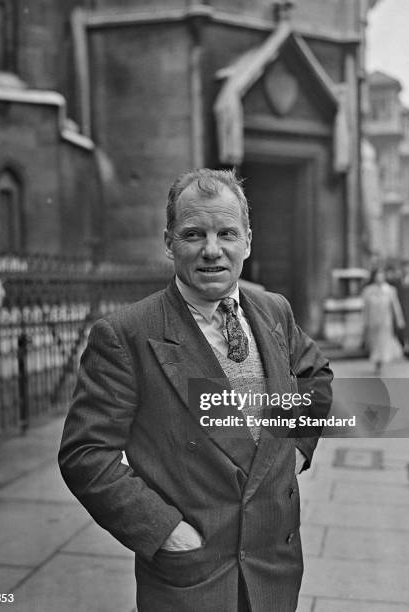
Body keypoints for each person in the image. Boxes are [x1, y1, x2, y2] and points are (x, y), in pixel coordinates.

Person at [58, 168, 333, 612]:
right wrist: (165, 530)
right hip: (191, 576)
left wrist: (295, 447)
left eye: (227, 232)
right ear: (169, 242)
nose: (212, 250)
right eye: (193, 234)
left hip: (273, 566)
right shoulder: (126, 335)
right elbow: (85, 453)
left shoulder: (273, 310)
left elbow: (315, 376)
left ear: (247, 240)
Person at [362, 267, 405, 375]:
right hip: (373, 322)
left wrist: (399, 319)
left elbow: (396, 306)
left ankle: (380, 363)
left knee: (383, 343)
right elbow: (365, 308)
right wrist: (365, 322)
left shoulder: (390, 290)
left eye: (381, 276)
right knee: (374, 344)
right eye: (377, 276)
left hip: (385, 322)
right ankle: (377, 362)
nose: (379, 278)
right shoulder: (368, 291)